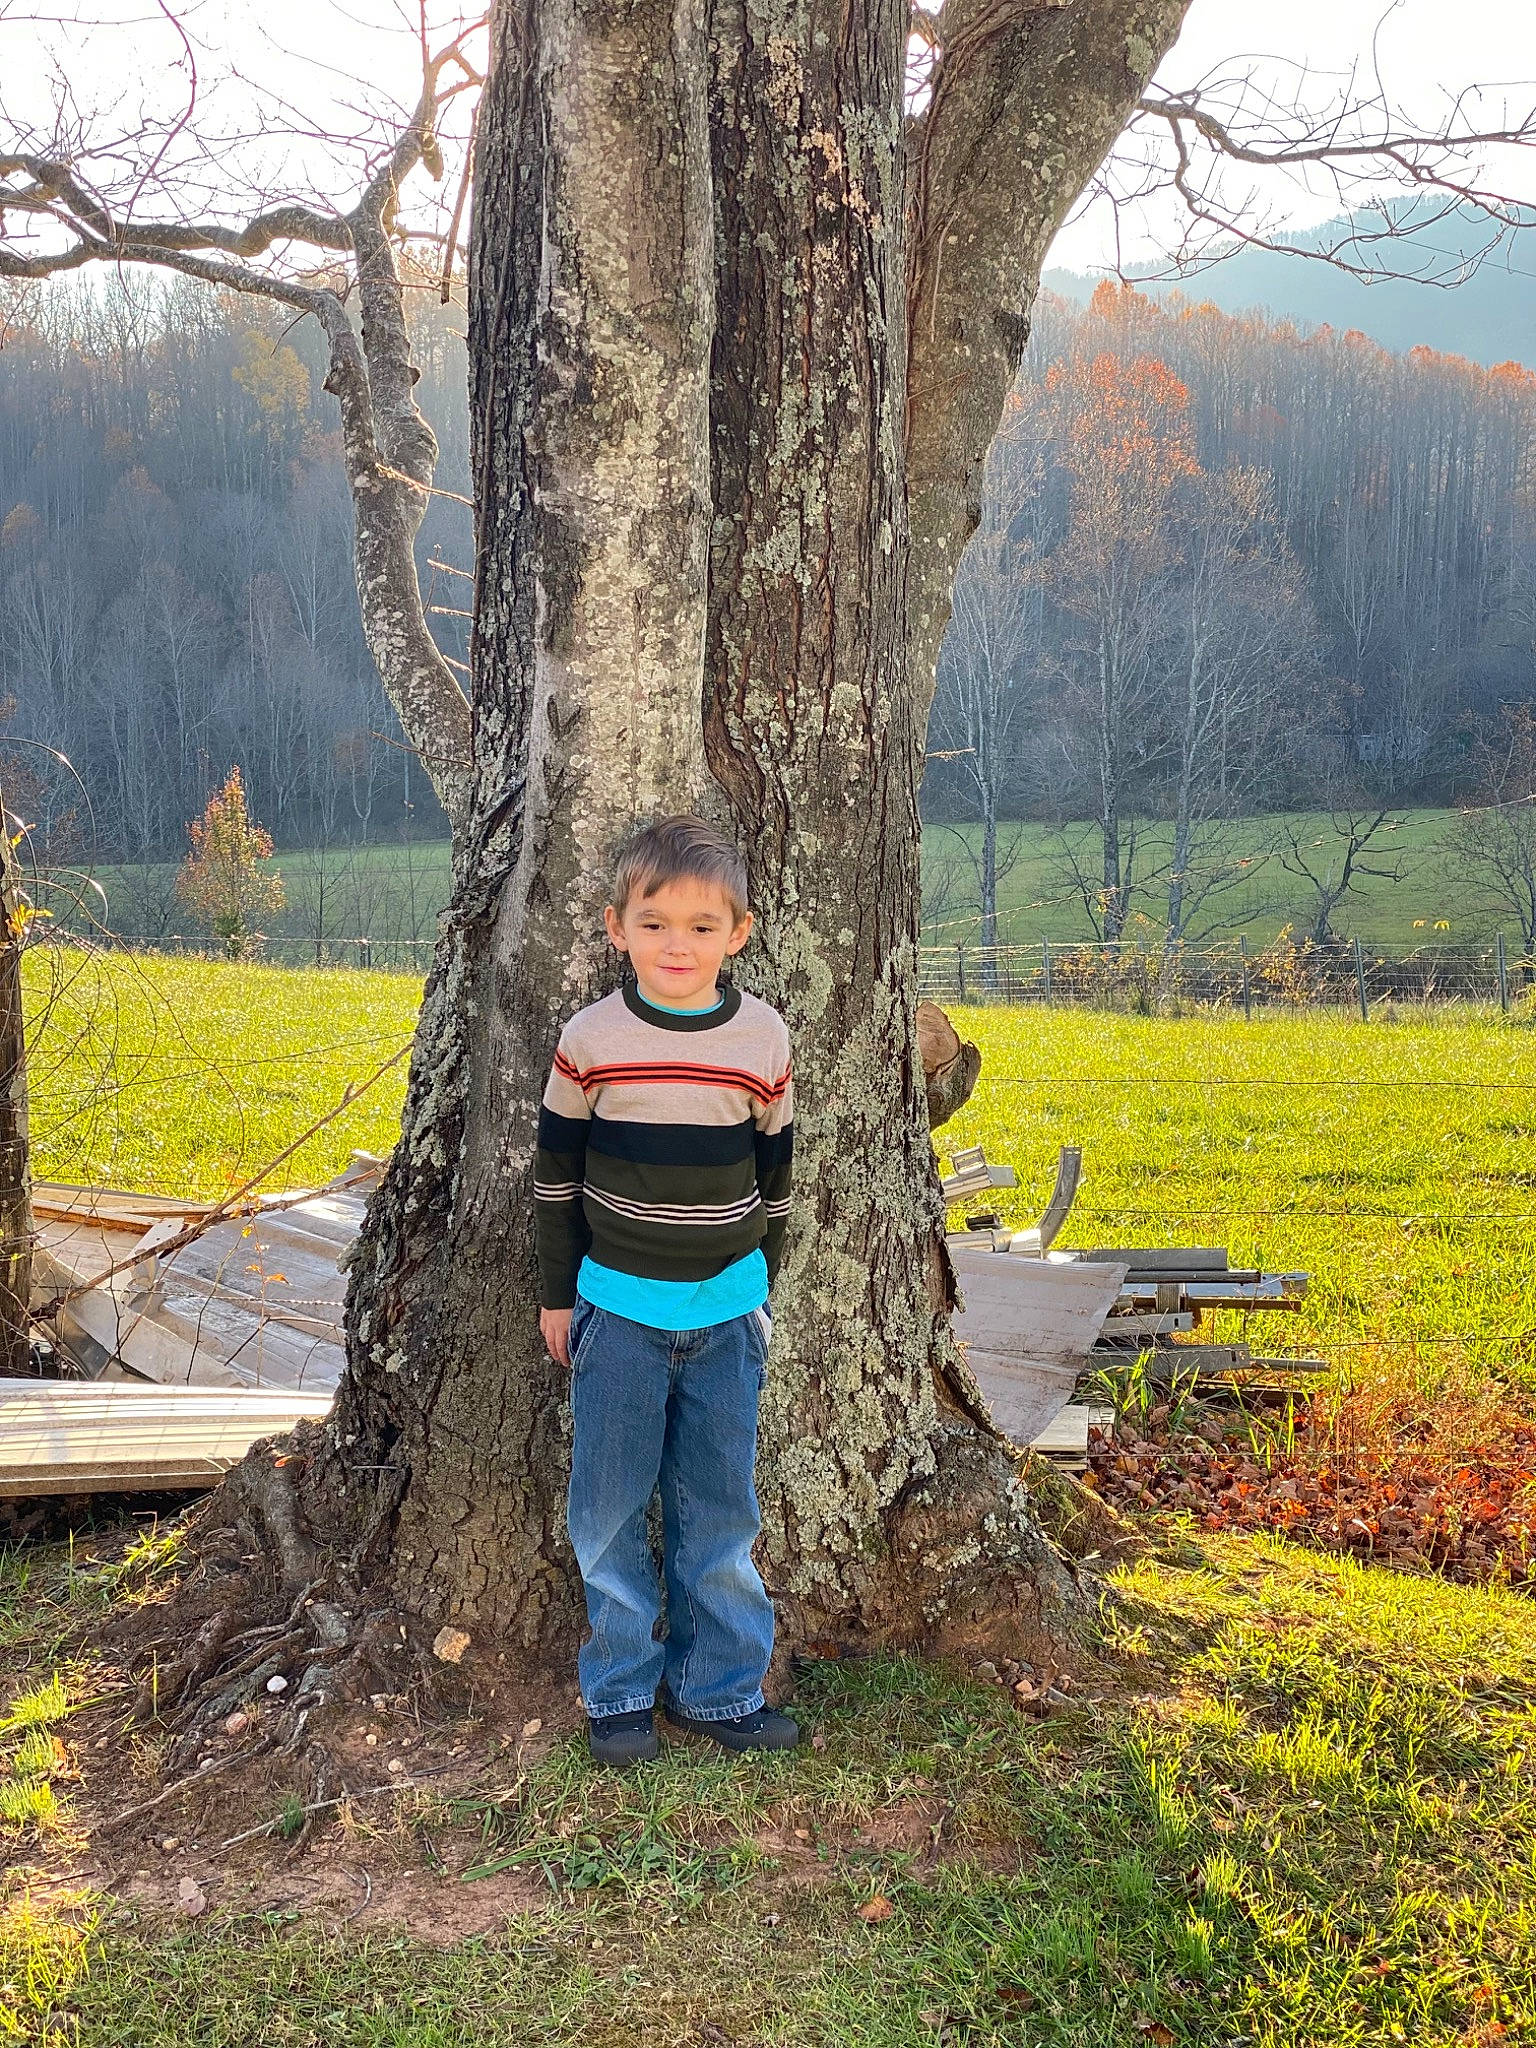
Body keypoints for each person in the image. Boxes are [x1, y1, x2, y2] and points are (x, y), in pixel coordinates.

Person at [534, 814, 800, 1767]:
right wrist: (558, 1296)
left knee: (720, 1512)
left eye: (699, 925)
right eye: (654, 923)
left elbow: (775, 1170)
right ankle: (617, 1696)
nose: (675, 945)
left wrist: (754, 1271)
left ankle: (719, 1691)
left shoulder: (762, 1036)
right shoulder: (591, 1039)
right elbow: (556, 1179)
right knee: (606, 1512)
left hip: (728, 1314)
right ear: (616, 928)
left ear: (739, 932)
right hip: (619, 1312)